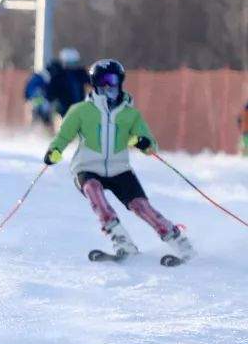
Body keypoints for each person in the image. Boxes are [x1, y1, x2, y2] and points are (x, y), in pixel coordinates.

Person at [43, 59, 194, 260]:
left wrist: (142, 143)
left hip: (119, 169)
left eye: (112, 79)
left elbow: (151, 146)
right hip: (87, 167)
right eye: (103, 80)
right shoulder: (80, 111)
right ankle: (122, 241)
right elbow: (63, 137)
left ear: (119, 81)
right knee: (93, 190)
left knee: (141, 206)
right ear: (94, 83)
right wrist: (54, 151)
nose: (108, 85)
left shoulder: (130, 114)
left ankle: (180, 243)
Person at [24, 48, 91, 127]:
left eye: (74, 63)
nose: (72, 67)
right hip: (58, 108)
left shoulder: (80, 74)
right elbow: (44, 90)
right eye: (70, 63)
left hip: (72, 109)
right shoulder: (55, 73)